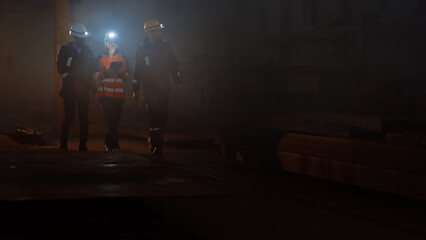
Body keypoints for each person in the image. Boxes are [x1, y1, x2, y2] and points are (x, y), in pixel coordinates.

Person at [133, 19, 182, 156]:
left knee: (163, 114)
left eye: (159, 30)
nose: (159, 33)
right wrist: (135, 89)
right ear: (149, 32)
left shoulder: (166, 46)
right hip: (149, 88)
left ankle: (157, 138)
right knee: (154, 113)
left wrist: (178, 81)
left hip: (164, 87)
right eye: (156, 31)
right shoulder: (142, 48)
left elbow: (173, 64)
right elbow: (138, 69)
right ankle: (156, 144)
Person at [57, 23, 95, 151]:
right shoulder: (65, 50)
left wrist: (92, 88)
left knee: (83, 117)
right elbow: (60, 68)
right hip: (70, 90)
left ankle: (83, 145)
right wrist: (72, 80)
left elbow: (92, 70)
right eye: (80, 38)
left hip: (84, 89)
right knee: (69, 116)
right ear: (74, 37)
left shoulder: (88, 52)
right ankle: (63, 144)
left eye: (84, 38)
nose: (83, 40)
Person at [97, 32, 128, 152]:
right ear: (106, 43)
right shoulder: (100, 59)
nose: (113, 44)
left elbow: (126, 77)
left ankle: (108, 141)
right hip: (106, 95)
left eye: (115, 42)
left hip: (119, 95)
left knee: (115, 120)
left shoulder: (123, 59)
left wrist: (121, 73)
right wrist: (106, 72)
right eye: (110, 42)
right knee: (111, 119)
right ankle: (114, 145)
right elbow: (96, 77)